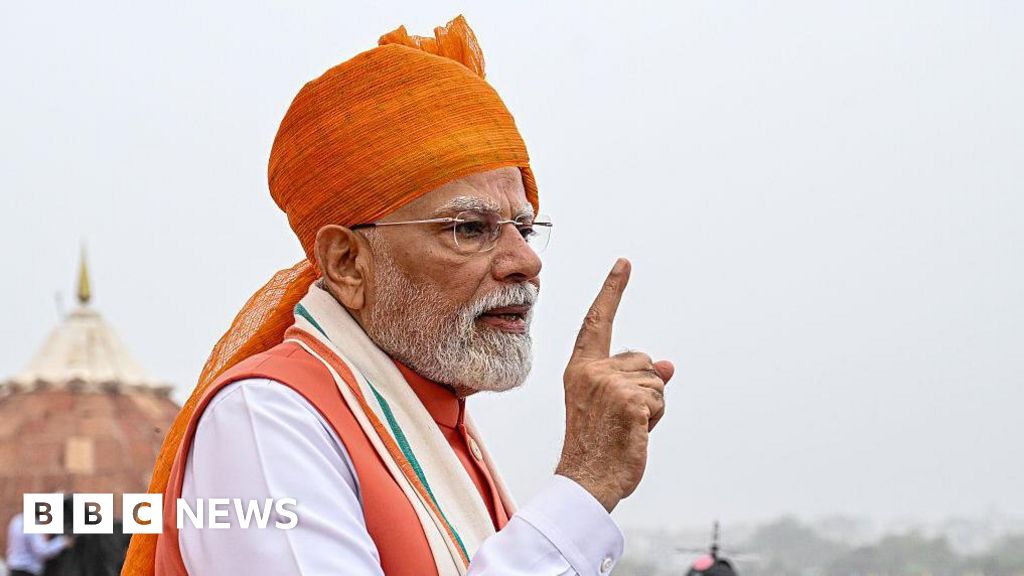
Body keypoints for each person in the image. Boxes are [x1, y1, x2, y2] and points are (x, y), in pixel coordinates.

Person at [123, 14, 675, 576]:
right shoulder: (265, 421)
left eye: (524, 228)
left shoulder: (437, 420)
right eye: (469, 228)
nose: (526, 262)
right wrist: (584, 484)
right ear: (347, 263)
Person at [5, 513, 73, 576]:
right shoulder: (33, 524)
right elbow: (42, 551)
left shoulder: (17, 520)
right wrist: (62, 541)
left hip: (14, 569)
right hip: (27, 570)